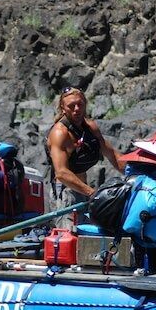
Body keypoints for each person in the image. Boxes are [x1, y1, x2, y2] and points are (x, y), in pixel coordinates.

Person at [45, 86, 124, 228]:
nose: (76, 109)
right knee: (70, 234)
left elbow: (112, 156)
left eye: (80, 104)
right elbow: (61, 173)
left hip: (84, 188)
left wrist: (135, 173)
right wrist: (92, 193)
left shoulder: (90, 127)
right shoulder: (59, 133)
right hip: (66, 191)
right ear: (63, 108)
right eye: (71, 106)